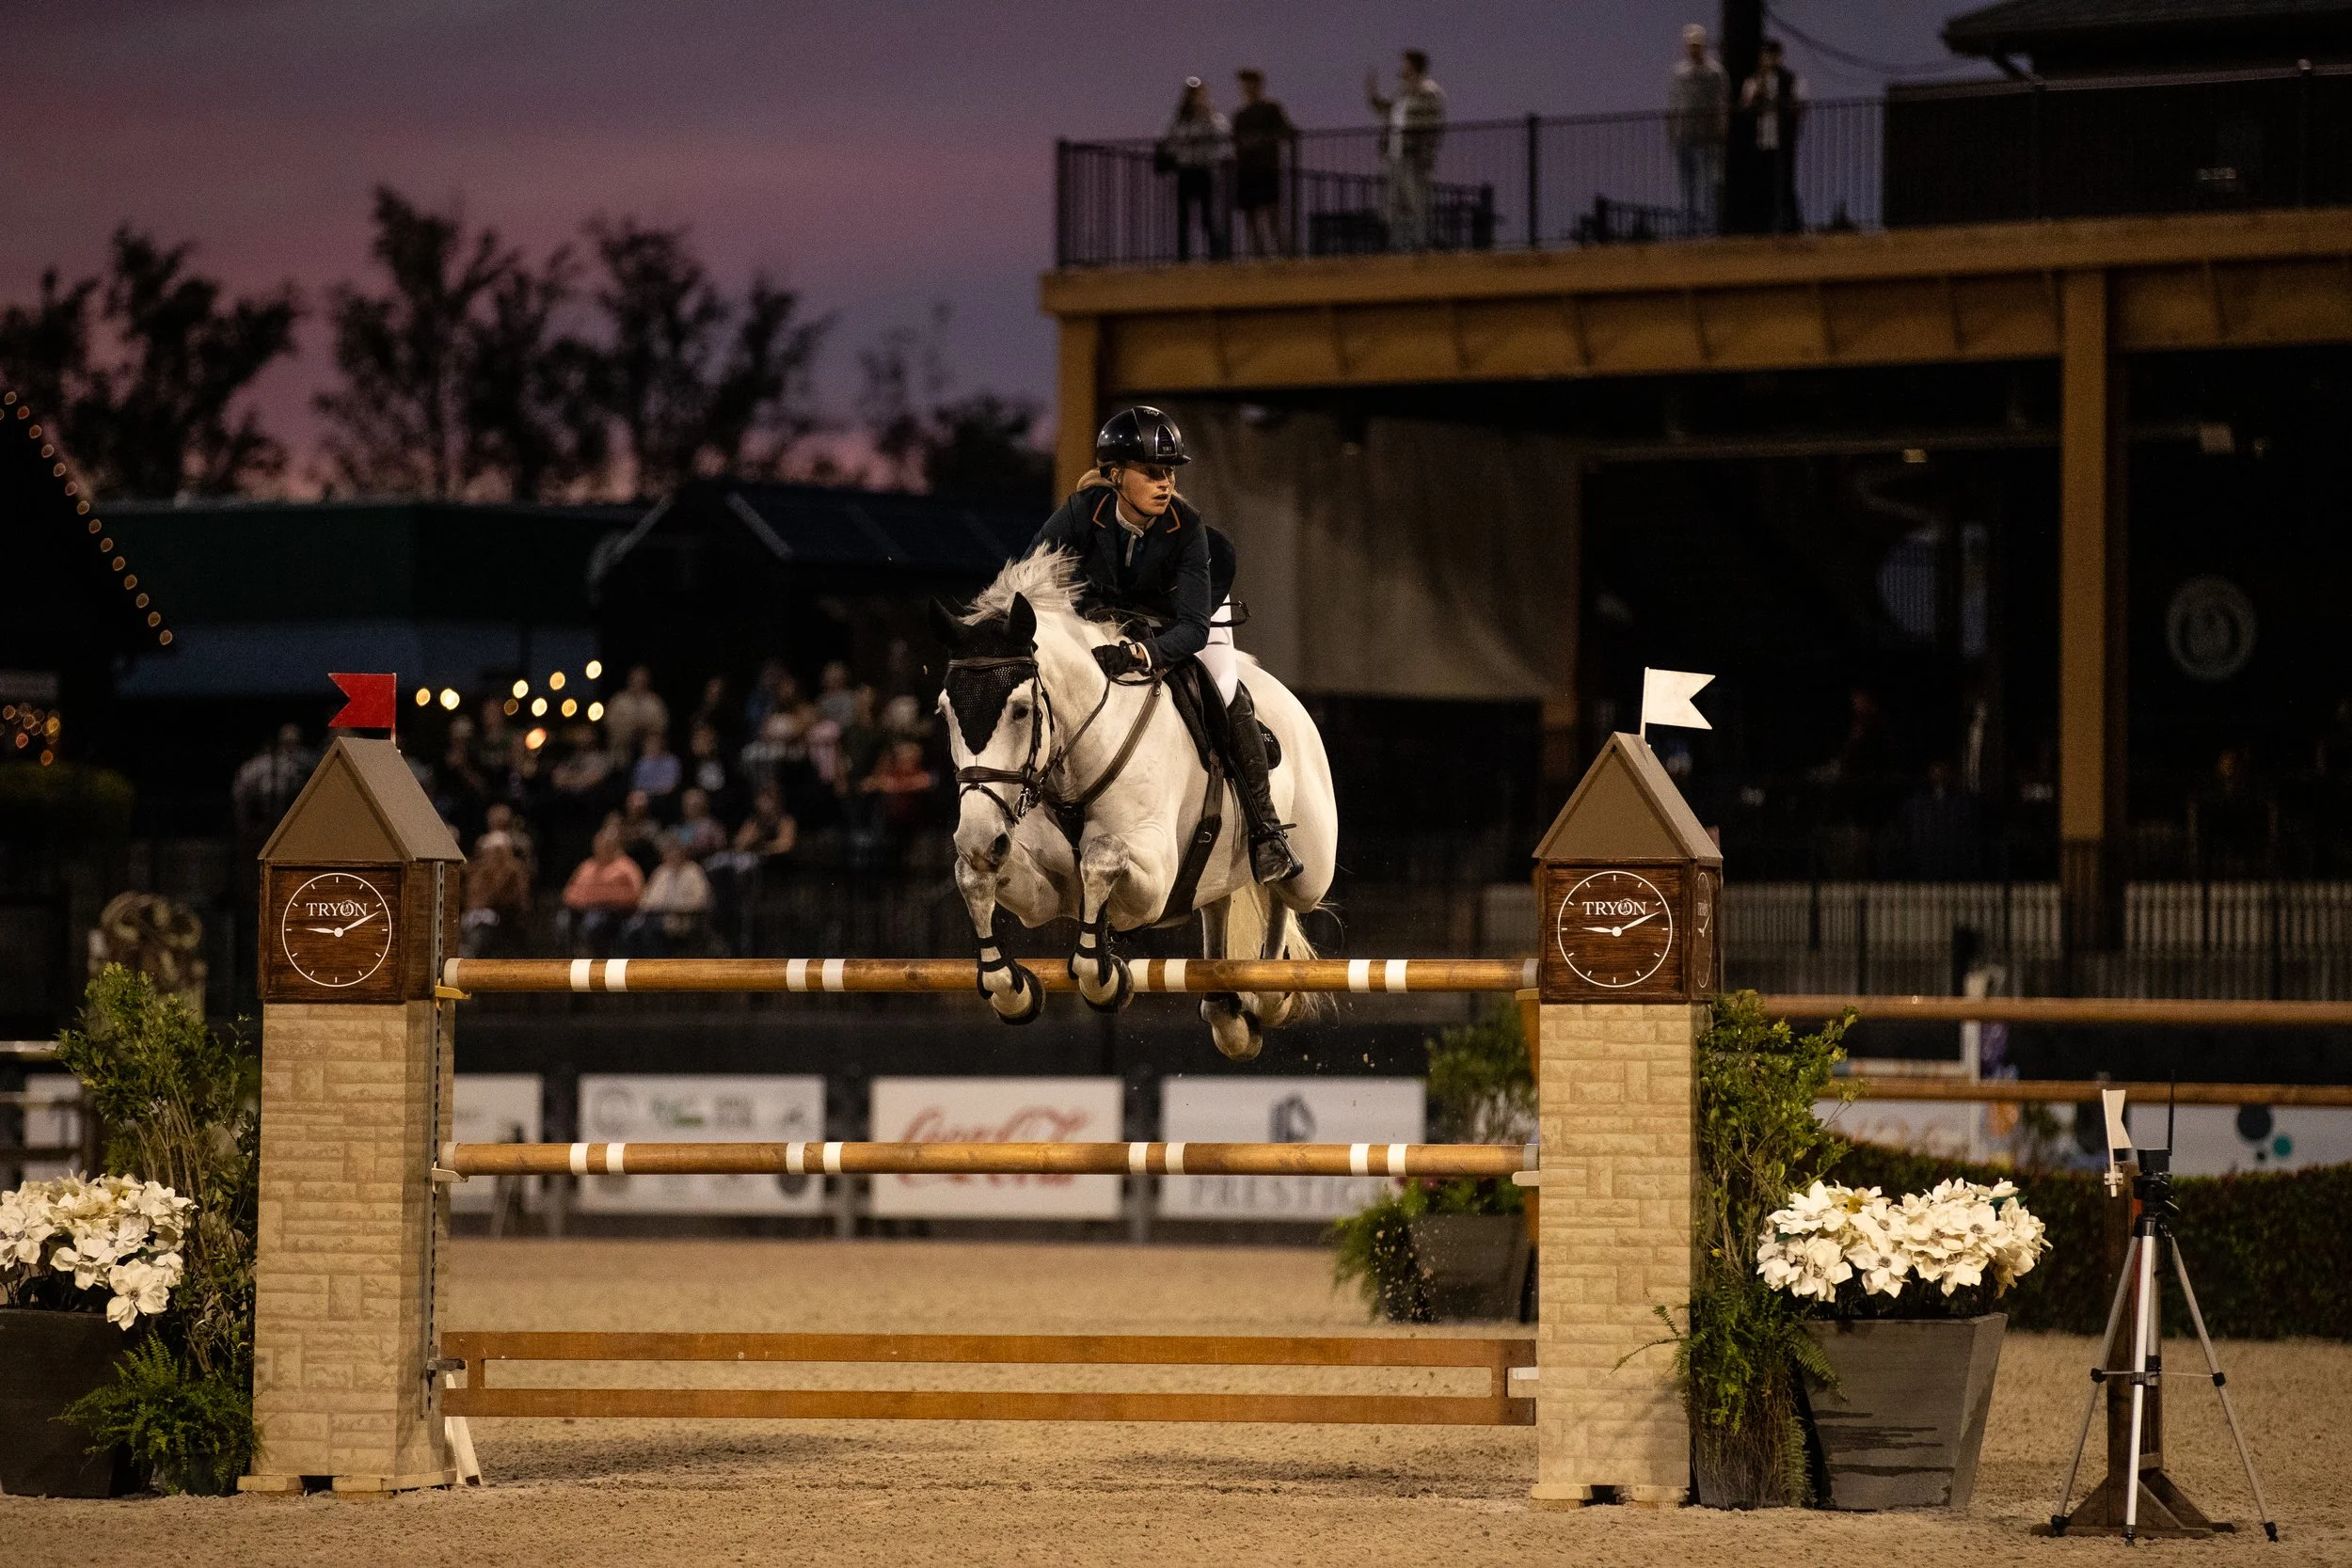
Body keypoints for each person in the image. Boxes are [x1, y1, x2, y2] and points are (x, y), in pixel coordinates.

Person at [1022, 406, 1300, 883]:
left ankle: (1266, 832)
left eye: (1169, 472)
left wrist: (1141, 653)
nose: (1165, 483)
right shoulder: (1080, 513)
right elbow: (1028, 581)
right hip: (1112, 619)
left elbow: (1192, 629)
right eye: (1152, 472)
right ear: (1114, 475)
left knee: (1224, 688)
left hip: (1189, 617)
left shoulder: (1187, 529)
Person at [1365, 50, 1445, 251]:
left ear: (1414, 66)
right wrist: (1372, 95)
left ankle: (1420, 246)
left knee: (1415, 202)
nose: (1402, 68)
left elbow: (1431, 125)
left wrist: (1425, 154)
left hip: (1413, 156)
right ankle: (1398, 247)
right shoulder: (1404, 91)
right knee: (1394, 203)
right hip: (1396, 155)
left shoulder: (1428, 91)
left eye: (1405, 64)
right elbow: (1388, 110)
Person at [1738, 39, 1807, 233]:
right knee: (1762, 183)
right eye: (1765, 55)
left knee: (1785, 184)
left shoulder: (1791, 79)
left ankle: (1790, 225)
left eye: (1772, 55)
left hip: (1783, 139)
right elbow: (1746, 107)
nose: (1768, 60)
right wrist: (1758, 92)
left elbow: (1800, 104)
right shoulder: (1753, 81)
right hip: (1761, 140)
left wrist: (1781, 102)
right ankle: (1764, 224)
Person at [1160, 76, 1231, 262]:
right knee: (1183, 216)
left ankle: (1217, 256)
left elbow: (1223, 133)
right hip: (1185, 170)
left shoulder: (1212, 116)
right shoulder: (1179, 119)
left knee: (1208, 216)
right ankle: (1183, 257)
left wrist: (1207, 114)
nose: (1194, 97)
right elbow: (1169, 142)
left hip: (1204, 169)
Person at [1668, 24, 1727, 235]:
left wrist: (1722, 130)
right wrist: (1672, 133)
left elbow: (1723, 103)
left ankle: (1710, 228)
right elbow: (1673, 105)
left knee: (1710, 184)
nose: (1694, 49)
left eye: (1697, 45)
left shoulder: (1715, 72)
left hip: (1709, 136)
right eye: (1691, 45)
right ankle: (1688, 228)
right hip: (1685, 134)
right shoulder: (1679, 73)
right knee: (1687, 185)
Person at [1231, 69, 1295, 258]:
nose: (1247, 87)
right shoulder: (1239, 114)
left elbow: (1286, 132)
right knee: (1251, 215)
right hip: (1246, 170)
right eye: (1244, 83)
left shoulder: (1271, 108)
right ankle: (1260, 256)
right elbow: (1236, 141)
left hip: (1267, 167)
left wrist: (1261, 140)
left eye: (1250, 83)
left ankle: (1284, 255)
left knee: (1272, 212)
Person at [561, 823, 644, 955]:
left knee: (593, 922)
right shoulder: (586, 866)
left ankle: (599, 964)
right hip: (581, 911)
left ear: (614, 846)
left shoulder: (626, 867)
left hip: (614, 914)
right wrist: (590, 898)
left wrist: (598, 897)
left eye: (606, 845)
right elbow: (568, 893)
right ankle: (571, 960)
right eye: (598, 845)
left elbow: (636, 895)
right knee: (563, 921)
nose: (601, 849)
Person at [628, 831, 715, 956]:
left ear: (682, 852)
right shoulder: (661, 872)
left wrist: (672, 909)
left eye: (674, 850)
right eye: (667, 851)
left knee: (652, 930)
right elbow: (645, 900)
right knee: (633, 930)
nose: (671, 854)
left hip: (684, 920)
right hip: (658, 918)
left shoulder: (694, 872)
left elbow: (700, 901)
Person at [232, 723, 315, 840]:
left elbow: (313, 766)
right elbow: (245, 787)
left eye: (293, 741)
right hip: (260, 803)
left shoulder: (304, 757)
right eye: (287, 742)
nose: (290, 746)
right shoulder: (265, 762)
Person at [461, 830, 533, 958]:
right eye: (490, 850)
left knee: (481, 935)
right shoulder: (477, 869)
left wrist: (490, 902)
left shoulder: (515, 871)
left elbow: (520, 900)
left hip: (503, 919)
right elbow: (470, 895)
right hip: (474, 917)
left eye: (498, 851)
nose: (494, 855)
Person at [602, 665, 669, 757]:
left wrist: (645, 727)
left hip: (648, 755)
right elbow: (609, 724)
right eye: (636, 679)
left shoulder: (654, 703)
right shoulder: (618, 701)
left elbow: (662, 726)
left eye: (642, 680)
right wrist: (629, 728)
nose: (638, 683)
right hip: (621, 752)